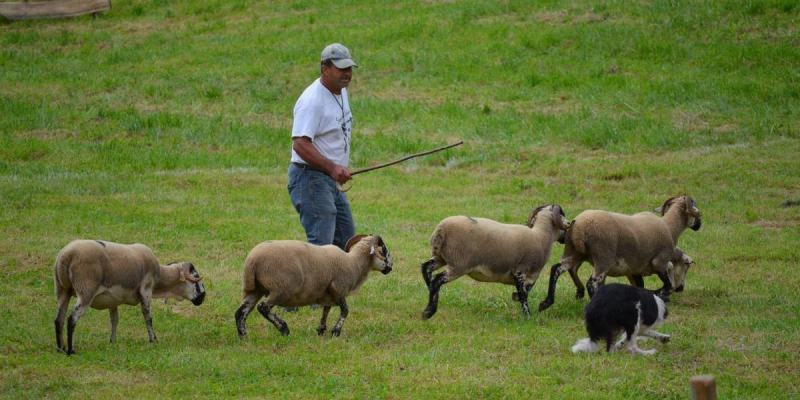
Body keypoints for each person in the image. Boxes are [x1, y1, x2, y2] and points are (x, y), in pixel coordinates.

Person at [287, 43, 358, 251]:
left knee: (346, 240)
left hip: (329, 180)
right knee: (322, 249)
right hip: (310, 179)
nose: (346, 73)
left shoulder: (340, 91)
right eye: (341, 68)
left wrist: (336, 168)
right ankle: (314, 284)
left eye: (349, 68)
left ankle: (336, 284)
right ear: (324, 68)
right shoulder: (312, 101)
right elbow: (300, 144)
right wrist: (333, 168)